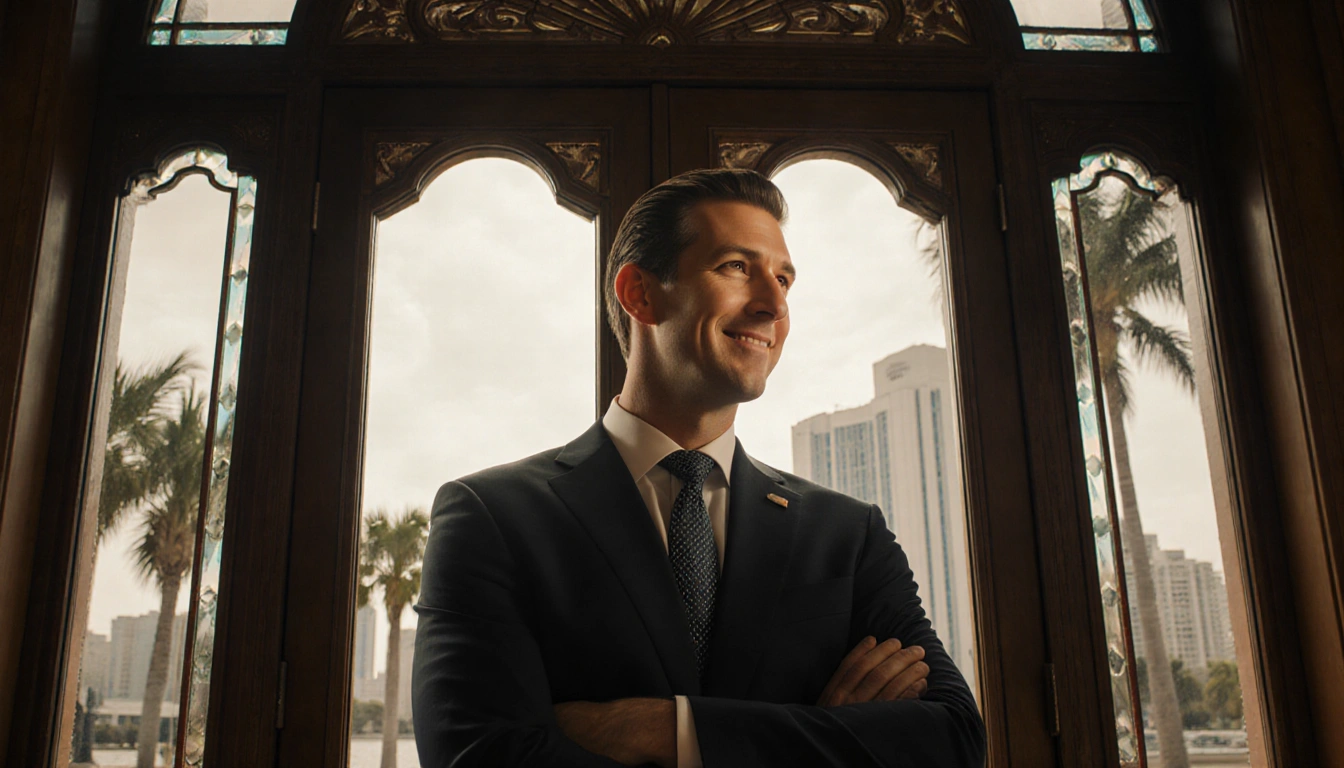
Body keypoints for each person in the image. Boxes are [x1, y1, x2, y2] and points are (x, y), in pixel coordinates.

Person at [411, 168, 985, 767]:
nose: (774, 304)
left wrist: (673, 731)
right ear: (639, 294)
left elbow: (952, 741)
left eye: (784, 278)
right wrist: (819, 733)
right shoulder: (490, 518)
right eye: (737, 267)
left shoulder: (849, 534)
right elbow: (476, 757)